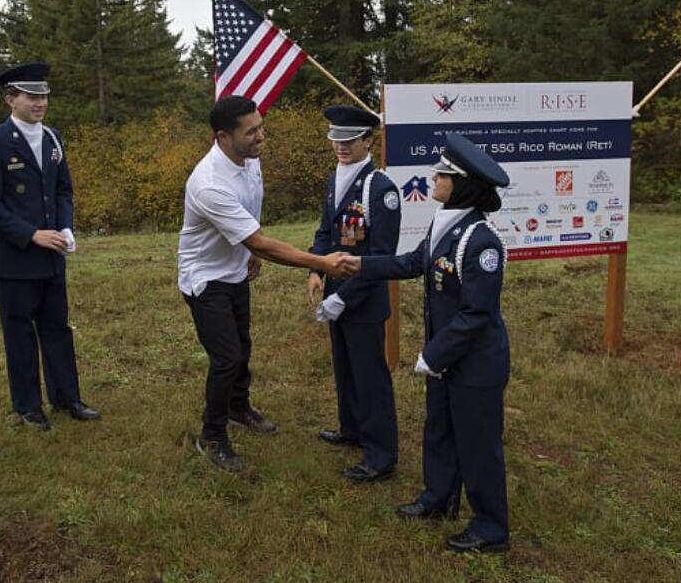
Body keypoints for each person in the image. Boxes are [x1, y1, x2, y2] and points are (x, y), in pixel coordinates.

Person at [344, 132, 512, 553]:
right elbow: (412, 263)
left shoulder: (480, 240)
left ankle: (491, 529)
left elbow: (477, 314)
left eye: (442, 173)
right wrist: (358, 264)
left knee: (478, 444)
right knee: (440, 428)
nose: (433, 177)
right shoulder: (446, 224)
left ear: (462, 184)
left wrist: (432, 354)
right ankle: (439, 499)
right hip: (447, 360)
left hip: (474, 365)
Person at [178, 94, 354, 472]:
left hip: (236, 269)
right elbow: (258, 240)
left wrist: (248, 251)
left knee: (242, 345)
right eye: (251, 131)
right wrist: (320, 262)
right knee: (225, 357)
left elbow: (249, 224)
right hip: (205, 277)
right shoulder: (209, 183)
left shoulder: (248, 159)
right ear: (222, 137)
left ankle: (239, 407)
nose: (261, 137)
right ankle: (212, 435)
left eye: (261, 127)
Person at [0, 62, 99, 431]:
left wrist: (65, 227)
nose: (40, 103)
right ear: (10, 99)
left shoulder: (53, 138)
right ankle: (28, 406)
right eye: (31, 96)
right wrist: (31, 234)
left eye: (44, 96)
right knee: (20, 333)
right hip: (15, 257)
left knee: (57, 328)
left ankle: (67, 397)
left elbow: (63, 191)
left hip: (52, 255)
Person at [306, 105, 401, 483]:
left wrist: (343, 298)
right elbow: (325, 232)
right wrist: (315, 268)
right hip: (335, 293)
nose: (340, 147)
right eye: (335, 139)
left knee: (370, 376)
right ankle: (352, 429)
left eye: (348, 141)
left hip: (362, 300)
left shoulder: (381, 188)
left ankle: (380, 455)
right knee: (344, 369)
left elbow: (381, 256)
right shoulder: (335, 180)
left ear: (368, 140)